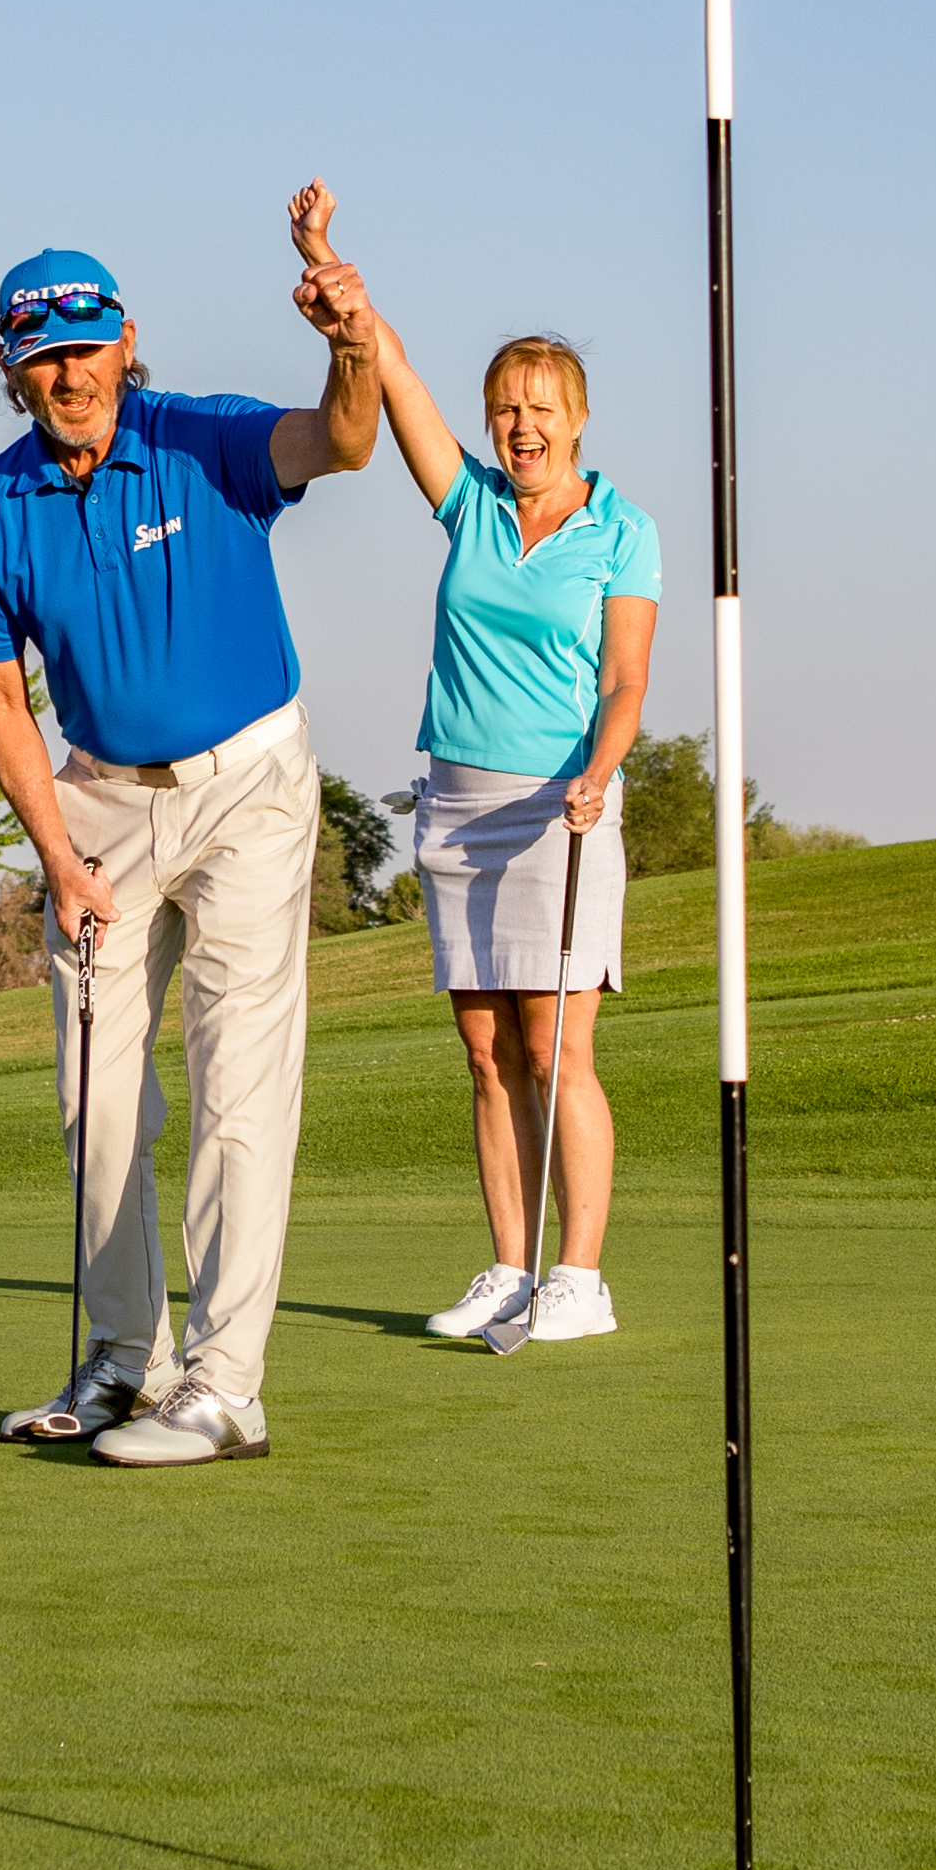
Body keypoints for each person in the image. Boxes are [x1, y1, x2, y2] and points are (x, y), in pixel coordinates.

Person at [0, 198, 389, 1466]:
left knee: (237, 1085)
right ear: (11, 370)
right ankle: (117, 1360)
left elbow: (344, 441)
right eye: (44, 356)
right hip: (95, 799)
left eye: (87, 348)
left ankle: (226, 1384)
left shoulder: (202, 438)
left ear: (124, 340)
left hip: (249, 781)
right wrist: (58, 855)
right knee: (97, 1096)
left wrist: (348, 342)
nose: (70, 374)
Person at [347, 296, 662, 1344]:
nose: (518, 426)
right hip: (458, 805)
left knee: (553, 1046)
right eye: (501, 409)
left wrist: (601, 770)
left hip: (560, 808)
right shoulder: (470, 505)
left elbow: (625, 682)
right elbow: (397, 382)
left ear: (577, 418)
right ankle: (509, 1266)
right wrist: (340, 288)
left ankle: (580, 1276)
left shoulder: (624, 532)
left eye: (538, 408)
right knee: (483, 1051)